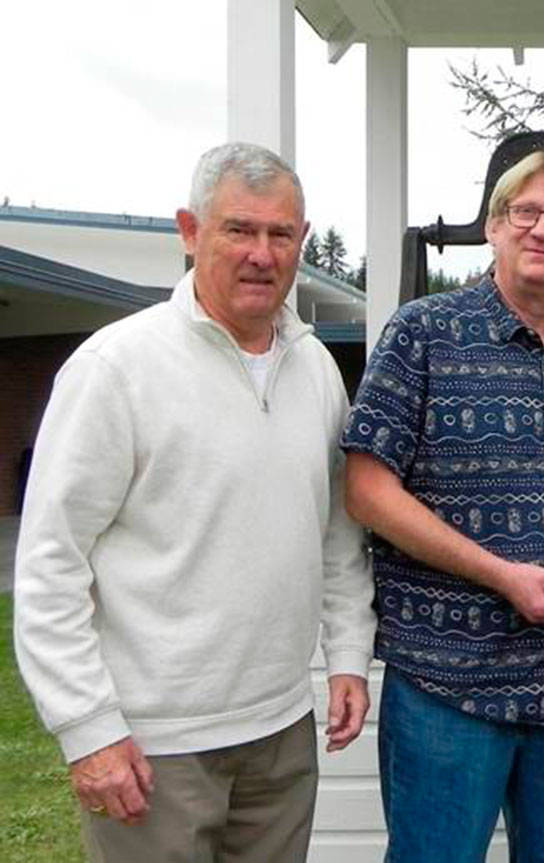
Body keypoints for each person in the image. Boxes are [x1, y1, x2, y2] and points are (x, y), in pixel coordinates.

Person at [13, 141, 376, 861]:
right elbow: (50, 565)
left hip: (279, 733)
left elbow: (337, 534)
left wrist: (347, 656)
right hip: (153, 746)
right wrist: (88, 728)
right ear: (190, 230)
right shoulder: (116, 369)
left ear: (302, 240)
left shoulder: (314, 368)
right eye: (239, 229)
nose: (261, 254)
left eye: (281, 234)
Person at [341, 147, 544, 862]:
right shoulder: (422, 333)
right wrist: (502, 575)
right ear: (494, 227)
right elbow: (367, 489)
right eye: (524, 212)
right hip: (449, 682)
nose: (542, 229)